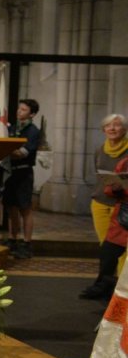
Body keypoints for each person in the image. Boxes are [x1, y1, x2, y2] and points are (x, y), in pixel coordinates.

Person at [79, 155, 128, 301]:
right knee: (108, 253)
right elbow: (108, 189)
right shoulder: (125, 162)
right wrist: (116, 189)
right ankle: (103, 286)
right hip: (123, 220)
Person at [5, 99, 42, 258]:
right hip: (11, 172)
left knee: (25, 208)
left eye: (24, 109)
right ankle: (12, 239)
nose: (19, 111)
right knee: (11, 207)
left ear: (32, 114)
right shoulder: (12, 128)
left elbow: (23, 152)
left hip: (23, 173)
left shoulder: (33, 131)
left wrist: (3, 150)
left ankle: (27, 243)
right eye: (19, 108)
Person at [93, 113, 128, 263]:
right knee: (106, 245)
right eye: (108, 125)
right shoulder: (99, 150)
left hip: (122, 205)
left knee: (122, 247)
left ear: (125, 129)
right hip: (100, 201)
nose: (112, 128)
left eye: (116, 125)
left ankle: (122, 284)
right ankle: (108, 279)